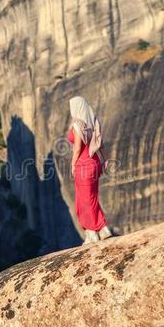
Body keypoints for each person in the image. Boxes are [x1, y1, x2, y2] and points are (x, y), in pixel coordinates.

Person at [68, 96, 113, 244]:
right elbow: (101, 145)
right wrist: (104, 160)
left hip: (83, 165)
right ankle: (103, 229)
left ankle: (92, 232)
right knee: (92, 197)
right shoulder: (93, 122)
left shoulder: (77, 125)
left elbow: (77, 148)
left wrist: (73, 165)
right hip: (95, 163)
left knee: (83, 200)